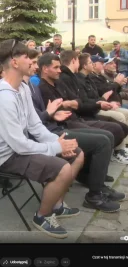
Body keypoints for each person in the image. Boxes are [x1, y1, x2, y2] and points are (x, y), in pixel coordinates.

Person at [0, 39, 83, 239]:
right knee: (62, 168)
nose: (33, 62)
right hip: (7, 156)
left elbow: (35, 125)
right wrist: (55, 147)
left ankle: (57, 204)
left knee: (77, 154)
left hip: (19, 148)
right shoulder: (3, 97)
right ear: (14, 62)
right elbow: (19, 145)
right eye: (27, 57)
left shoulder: (23, 88)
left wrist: (58, 142)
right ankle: (42, 216)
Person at [27, 49, 124, 212]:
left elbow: (77, 101)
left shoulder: (55, 83)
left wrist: (64, 106)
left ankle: (96, 184)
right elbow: (39, 118)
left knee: (108, 134)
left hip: (69, 122)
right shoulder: (38, 88)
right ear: (45, 69)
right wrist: (54, 113)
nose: (60, 70)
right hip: (59, 129)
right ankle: (94, 194)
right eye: (56, 67)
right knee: (103, 140)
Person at [42, 52, 128, 164]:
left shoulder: (76, 77)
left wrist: (101, 99)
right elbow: (79, 102)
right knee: (112, 129)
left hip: (81, 115)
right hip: (76, 118)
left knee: (118, 127)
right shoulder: (65, 78)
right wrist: (101, 100)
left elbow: (78, 100)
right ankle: (104, 156)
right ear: (74, 61)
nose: (59, 70)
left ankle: (106, 154)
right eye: (91, 62)